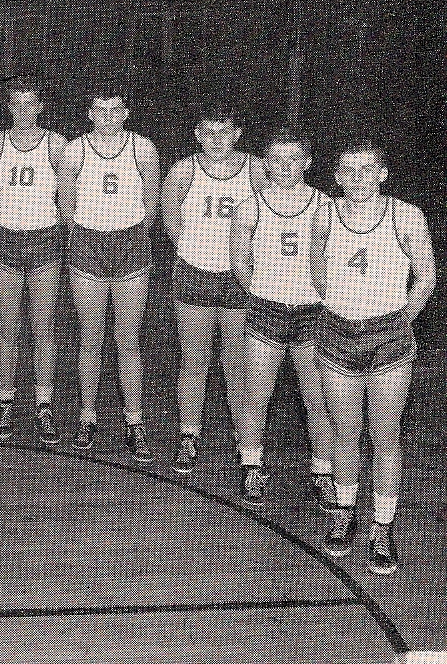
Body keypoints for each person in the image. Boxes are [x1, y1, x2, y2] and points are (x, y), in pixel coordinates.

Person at [310, 139, 435, 575]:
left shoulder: (406, 217)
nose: (358, 178)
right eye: (348, 169)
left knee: (385, 435)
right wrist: (341, 309)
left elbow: (426, 277)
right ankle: (345, 511)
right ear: (336, 175)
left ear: (382, 173)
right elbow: (315, 269)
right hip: (337, 334)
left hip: (388, 337)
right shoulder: (324, 215)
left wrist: (400, 321)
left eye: (367, 169)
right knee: (345, 434)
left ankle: (382, 526)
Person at [229, 128, 333, 509]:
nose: (285, 166)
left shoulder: (327, 206)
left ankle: (323, 470)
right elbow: (240, 262)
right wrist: (264, 291)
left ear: (307, 163)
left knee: (317, 398)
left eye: (293, 159)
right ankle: (251, 464)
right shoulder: (250, 206)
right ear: (265, 164)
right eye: (276, 159)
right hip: (267, 310)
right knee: (256, 393)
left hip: (313, 314)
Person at [58, 87, 159, 461]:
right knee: (91, 337)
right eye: (99, 110)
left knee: (128, 338)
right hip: (87, 243)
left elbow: (151, 206)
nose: (107, 117)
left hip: (130, 244)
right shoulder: (74, 150)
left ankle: (135, 423)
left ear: (126, 112)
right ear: (89, 113)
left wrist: (128, 233)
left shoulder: (143, 148)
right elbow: (65, 206)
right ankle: (87, 416)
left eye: (114, 110)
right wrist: (87, 236)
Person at [161, 104, 264, 474]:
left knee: (238, 367)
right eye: (207, 131)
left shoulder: (257, 169)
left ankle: (249, 451)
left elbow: (268, 219)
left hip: (240, 279)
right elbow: (171, 220)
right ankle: (189, 436)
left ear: (237, 134)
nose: (215, 139)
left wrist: (249, 266)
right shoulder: (184, 170)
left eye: (224, 132)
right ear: (197, 134)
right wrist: (196, 252)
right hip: (195, 273)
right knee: (194, 362)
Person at [0, 77, 67, 444]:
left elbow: (69, 193)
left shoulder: (56, 144)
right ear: (8, 106)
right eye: (16, 103)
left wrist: (49, 223)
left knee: (44, 325)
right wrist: (2, 219)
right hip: (5, 240)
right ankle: (6, 400)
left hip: (43, 239)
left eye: (30, 103)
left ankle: (44, 404)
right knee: (7, 325)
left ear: (40, 106)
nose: (23, 110)